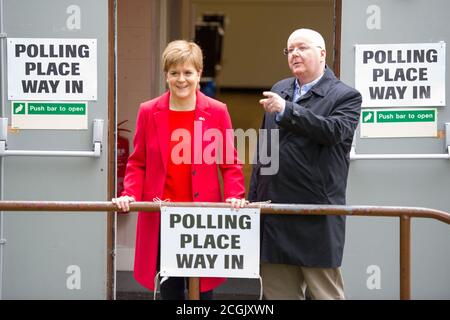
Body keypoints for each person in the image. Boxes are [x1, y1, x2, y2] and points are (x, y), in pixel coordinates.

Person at [113, 40, 246, 300]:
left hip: (203, 218)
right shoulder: (149, 111)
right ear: (166, 76)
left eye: (188, 72)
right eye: (174, 73)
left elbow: (229, 162)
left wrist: (235, 195)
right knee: (170, 288)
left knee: (203, 291)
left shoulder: (217, 112)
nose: (181, 79)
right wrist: (130, 193)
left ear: (199, 74)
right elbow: (138, 161)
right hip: (163, 216)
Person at [249, 28, 362, 300]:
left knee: (325, 295)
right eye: (290, 50)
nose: (295, 54)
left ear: (322, 53)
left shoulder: (346, 96)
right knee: (277, 295)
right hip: (275, 213)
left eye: (302, 47)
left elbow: (332, 131)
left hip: (316, 214)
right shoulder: (280, 89)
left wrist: (288, 111)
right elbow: (266, 152)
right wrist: (253, 199)